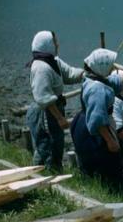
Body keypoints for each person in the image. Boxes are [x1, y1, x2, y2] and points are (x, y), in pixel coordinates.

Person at [70, 48, 123, 193]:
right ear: (102, 66)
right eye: (111, 65)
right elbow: (97, 119)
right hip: (94, 130)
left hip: (83, 121)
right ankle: (108, 195)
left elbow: (119, 82)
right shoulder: (97, 89)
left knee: (91, 165)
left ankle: (93, 189)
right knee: (107, 165)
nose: (113, 67)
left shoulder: (94, 77)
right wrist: (110, 140)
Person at [26, 30, 84, 173]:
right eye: (54, 42)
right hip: (46, 112)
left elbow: (70, 73)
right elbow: (44, 97)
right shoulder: (41, 67)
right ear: (47, 44)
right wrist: (60, 118)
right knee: (48, 145)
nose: (57, 45)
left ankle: (50, 174)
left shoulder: (53, 61)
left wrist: (88, 71)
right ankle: (44, 176)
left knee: (56, 144)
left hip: (53, 108)